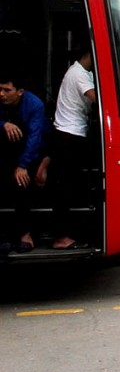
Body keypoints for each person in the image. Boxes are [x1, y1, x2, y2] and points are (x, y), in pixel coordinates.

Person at [48, 48, 98, 249]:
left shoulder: (83, 73)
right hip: (69, 135)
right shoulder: (78, 74)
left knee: (72, 187)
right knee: (65, 189)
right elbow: (98, 98)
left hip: (74, 133)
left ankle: (68, 233)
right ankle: (61, 236)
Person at [0, 70, 50, 252]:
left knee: (22, 184)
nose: (2, 94)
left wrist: (22, 165)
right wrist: (3, 124)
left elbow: (35, 138)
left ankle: (24, 234)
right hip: (6, 148)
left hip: (29, 151)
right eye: (0, 89)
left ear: (19, 91)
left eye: (7, 90)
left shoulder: (34, 105)